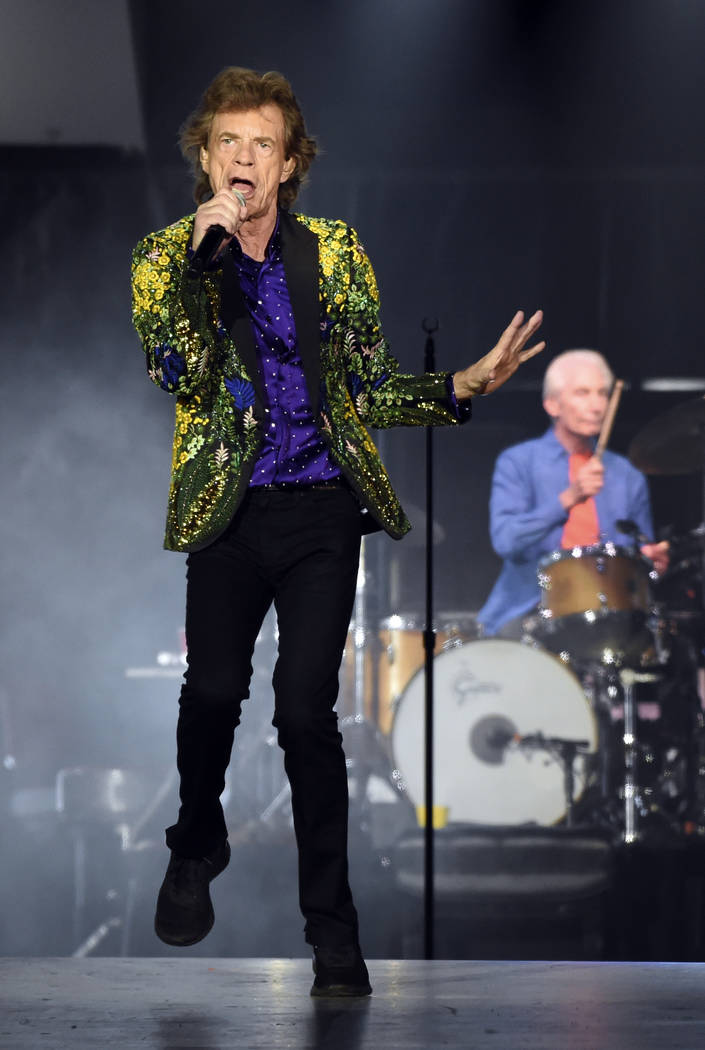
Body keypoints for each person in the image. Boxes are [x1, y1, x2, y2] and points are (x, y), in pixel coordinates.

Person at [131, 66, 544, 997]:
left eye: (262, 145)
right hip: (227, 511)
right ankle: (196, 843)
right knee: (211, 693)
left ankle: (333, 935)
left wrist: (459, 388)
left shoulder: (337, 253)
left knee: (306, 713)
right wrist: (205, 262)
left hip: (321, 507)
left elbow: (363, 388)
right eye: (227, 143)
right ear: (204, 158)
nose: (243, 159)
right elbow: (174, 373)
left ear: (288, 163)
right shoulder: (165, 257)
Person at [478, 349, 668, 638]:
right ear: (553, 404)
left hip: (610, 612)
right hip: (530, 612)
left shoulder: (628, 475)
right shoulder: (518, 462)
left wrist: (649, 561)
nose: (596, 405)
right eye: (583, 393)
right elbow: (505, 540)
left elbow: (635, 558)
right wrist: (569, 498)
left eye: (602, 393)